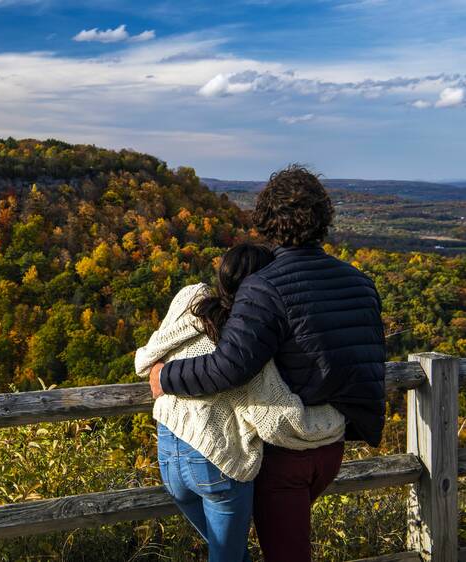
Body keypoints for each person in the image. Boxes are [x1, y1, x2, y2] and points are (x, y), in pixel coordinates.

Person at [148, 165, 386, 562]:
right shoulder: (360, 282)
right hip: (331, 447)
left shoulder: (264, 286)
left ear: (266, 221)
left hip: (286, 452)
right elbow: (368, 359)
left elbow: (229, 367)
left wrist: (165, 376)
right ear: (323, 218)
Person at [136, 242, 346, 562]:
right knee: (228, 557)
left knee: (230, 553)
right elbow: (273, 417)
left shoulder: (189, 302)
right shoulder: (248, 340)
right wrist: (334, 421)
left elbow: (149, 357)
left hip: (167, 454)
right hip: (216, 461)